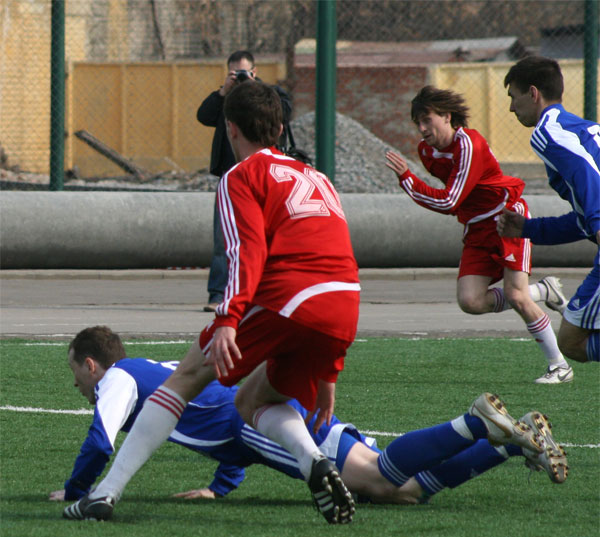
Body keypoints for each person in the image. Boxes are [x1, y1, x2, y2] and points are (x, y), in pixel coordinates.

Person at [63, 81, 360, 525]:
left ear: (231, 128)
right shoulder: (316, 176)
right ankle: (313, 460)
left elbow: (246, 251)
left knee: (183, 380)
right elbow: (338, 254)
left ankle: (103, 495)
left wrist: (228, 317)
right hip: (345, 304)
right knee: (253, 400)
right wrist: (328, 369)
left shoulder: (239, 176)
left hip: (289, 296)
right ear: (280, 128)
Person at [56, 327, 566, 511]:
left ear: (91, 364)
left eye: (77, 374)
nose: (78, 385)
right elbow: (216, 408)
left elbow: (102, 442)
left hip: (265, 420)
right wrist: (220, 486)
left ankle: (476, 423)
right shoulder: (152, 369)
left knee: (379, 478)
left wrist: (78, 489)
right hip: (260, 420)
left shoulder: (116, 378)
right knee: (404, 492)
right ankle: (509, 442)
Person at [385, 85, 573, 384]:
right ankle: (543, 291)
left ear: (446, 116)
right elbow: (458, 197)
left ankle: (559, 366)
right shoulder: (426, 151)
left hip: (506, 218)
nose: (421, 129)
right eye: (417, 123)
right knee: (470, 301)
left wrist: (408, 181)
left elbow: (449, 201)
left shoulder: (469, 144)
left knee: (516, 295)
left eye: (427, 120)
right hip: (476, 228)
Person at [498, 56, 599, 364]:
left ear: (533, 93)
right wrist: (529, 229)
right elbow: (582, 218)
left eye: (514, 98)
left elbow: (586, 176)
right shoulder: (586, 128)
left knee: (571, 340)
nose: (512, 108)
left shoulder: (547, 132)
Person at [197, 50, 292, 312]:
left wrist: (253, 89)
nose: (240, 77)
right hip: (231, 174)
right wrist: (223, 92)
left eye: (245, 73)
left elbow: (285, 110)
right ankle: (218, 293)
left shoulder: (268, 96)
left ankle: (267, 290)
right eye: (235, 73)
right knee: (224, 236)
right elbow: (203, 116)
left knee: (265, 234)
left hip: (264, 174)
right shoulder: (227, 101)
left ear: (255, 72)